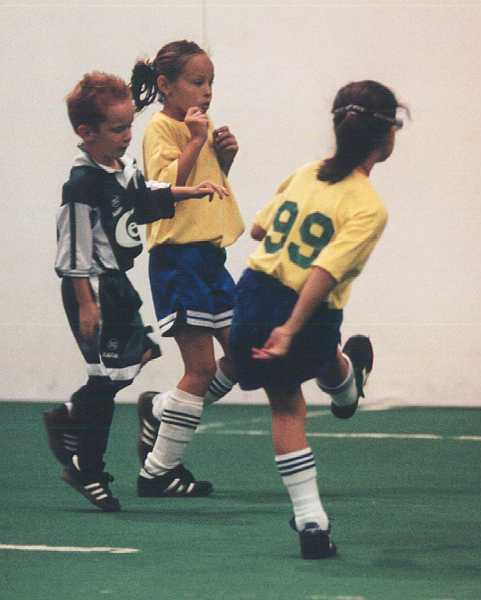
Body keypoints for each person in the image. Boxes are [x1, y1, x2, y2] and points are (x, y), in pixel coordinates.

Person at [229, 80, 399, 558]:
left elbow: (259, 229)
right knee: (319, 354)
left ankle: (311, 521)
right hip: (307, 306)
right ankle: (347, 387)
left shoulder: (306, 173)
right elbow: (324, 273)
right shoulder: (368, 206)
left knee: (286, 407)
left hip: (253, 295)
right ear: (387, 135)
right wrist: (290, 327)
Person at [44, 71, 228, 511]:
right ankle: (87, 468)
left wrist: (189, 192)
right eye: (118, 129)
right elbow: (73, 250)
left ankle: (70, 414)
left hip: (117, 284)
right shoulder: (82, 184)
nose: (128, 136)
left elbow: (144, 198)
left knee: (137, 357)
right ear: (86, 132)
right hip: (92, 287)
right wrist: (86, 303)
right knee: (106, 380)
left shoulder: (120, 169)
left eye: (129, 126)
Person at [129, 40, 244, 497]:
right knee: (200, 368)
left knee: (242, 357)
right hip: (178, 260)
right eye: (197, 81)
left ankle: (160, 409)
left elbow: (205, 185)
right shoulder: (161, 128)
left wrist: (224, 157)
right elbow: (165, 189)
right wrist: (195, 141)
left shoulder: (201, 124)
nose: (207, 91)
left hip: (210, 258)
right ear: (165, 84)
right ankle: (158, 471)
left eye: (211, 81)